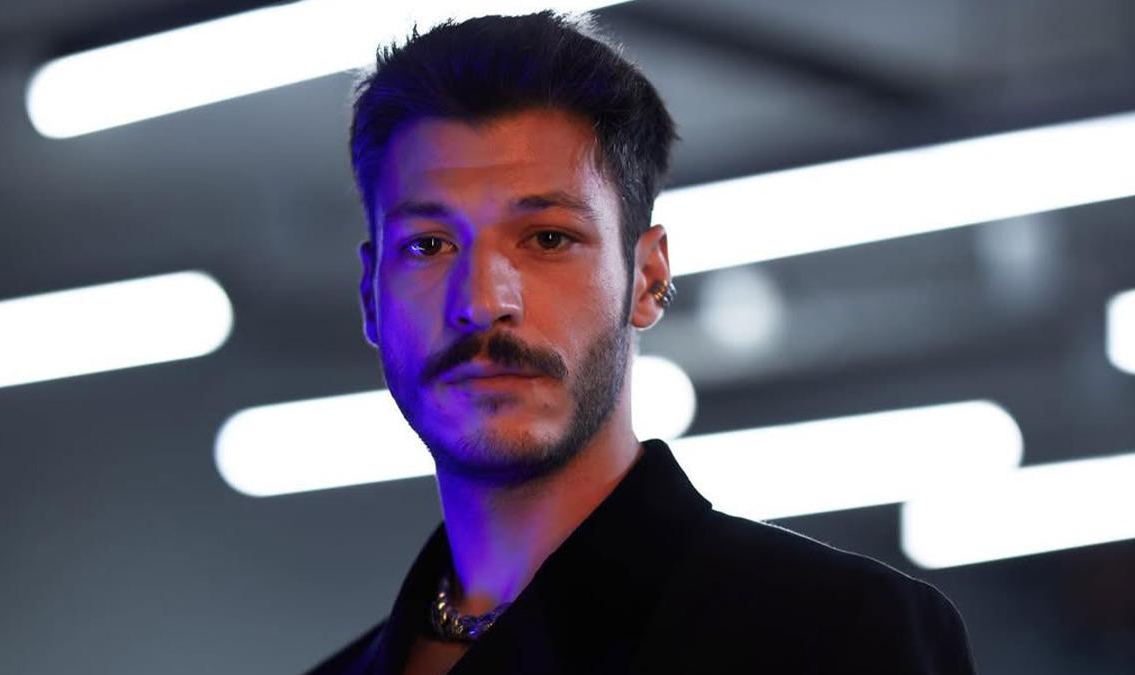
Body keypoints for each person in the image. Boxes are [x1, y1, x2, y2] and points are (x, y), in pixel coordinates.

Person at [306, 11, 976, 675]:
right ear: (370, 295)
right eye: (428, 245)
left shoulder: (839, 637)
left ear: (649, 278)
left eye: (548, 239)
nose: (482, 301)